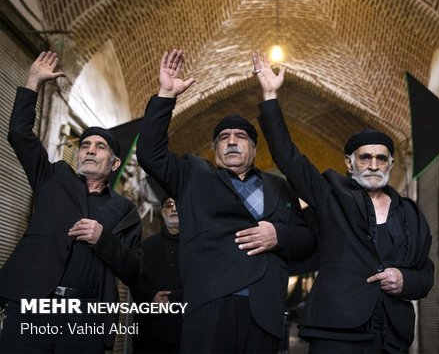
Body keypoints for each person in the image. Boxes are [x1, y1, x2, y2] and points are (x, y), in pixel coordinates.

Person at [136, 49, 317, 353]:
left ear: (254, 149)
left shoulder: (280, 187)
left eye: (240, 136)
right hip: (210, 306)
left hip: (263, 312)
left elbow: (307, 240)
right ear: (215, 148)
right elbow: (149, 154)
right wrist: (166, 95)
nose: (232, 141)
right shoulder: (194, 175)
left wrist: (278, 235)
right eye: (224, 137)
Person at [253, 51, 435, 353]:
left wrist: (405, 280)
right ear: (350, 164)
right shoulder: (331, 193)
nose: (373, 165)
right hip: (337, 331)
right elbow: (288, 157)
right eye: (365, 158)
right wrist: (271, 96)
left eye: (381, 158)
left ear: (390, 164)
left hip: (391, 334)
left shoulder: (410, 213)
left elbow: (426, 272)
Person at [0, 51, 143, 353]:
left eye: (100, 147)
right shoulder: (53, 178)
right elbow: (18, 133)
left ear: (115, 163)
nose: (90, 150)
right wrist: (33, 81)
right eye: (86, 145)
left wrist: (102, 238)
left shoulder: (125, 210)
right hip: (32, 307)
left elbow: (135, 272)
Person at [130, 196, 182, 353]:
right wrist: (151, 295)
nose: (174, 209)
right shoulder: (146, 245)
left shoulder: (197, 248)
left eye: (178, 205)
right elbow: (134, 278)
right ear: (162, 211)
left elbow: (203, 283)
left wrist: (172, 298)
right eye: (169, 205)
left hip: (183, 332)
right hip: (148, 332)